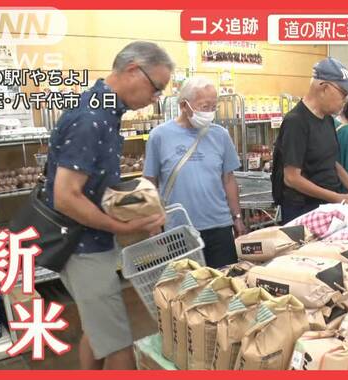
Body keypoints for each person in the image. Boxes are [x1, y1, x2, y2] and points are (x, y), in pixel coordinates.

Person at [47, 41, 172, 370]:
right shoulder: (93, 118)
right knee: (118, 344)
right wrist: (122, 227)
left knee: (96, 329)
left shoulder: (104, 111)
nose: (155, 98)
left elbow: (91, 184)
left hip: (85, 240)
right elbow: (66, 195)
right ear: (133, 70)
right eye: (156, 88)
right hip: (83, 245)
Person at [144, 77, 245, 269]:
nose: (209, 112)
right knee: (186, 289)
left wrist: (237, 217)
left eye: (213, 106)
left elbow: (229, 179)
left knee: (226, 287)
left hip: (219, 225)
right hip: (179, 229)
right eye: (204, 106)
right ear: (184, 105)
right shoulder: (159, 136)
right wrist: (153, 221)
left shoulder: (220, 135)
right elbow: (149, 183)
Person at [271, 57, 348, 223]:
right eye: (343, 93)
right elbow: (292, 178)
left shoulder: (327, 118)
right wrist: (336, 197)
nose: (345, 101)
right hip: (303, 209)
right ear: (324, 88)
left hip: (327, 205)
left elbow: (331, 162)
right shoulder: (296, 122)